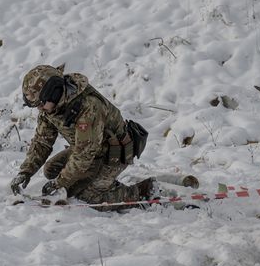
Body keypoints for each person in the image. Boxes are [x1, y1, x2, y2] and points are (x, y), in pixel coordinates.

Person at [10, 64, 153, 205]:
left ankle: (143, 191)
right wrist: (25, 172)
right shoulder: (50, 109)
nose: (40, 109)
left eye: (41, 103)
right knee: (51, 170)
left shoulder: (88, 106)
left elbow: (84, 154)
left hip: (113, 154)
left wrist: (61, 183)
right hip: (88, 149)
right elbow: (42, 142)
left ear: (53, 92)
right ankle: (98, 182)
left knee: (87, 197)